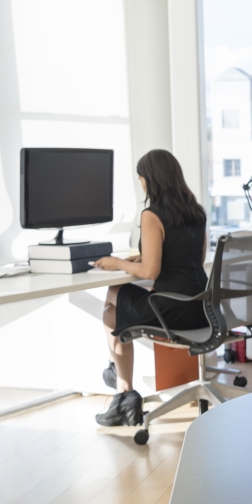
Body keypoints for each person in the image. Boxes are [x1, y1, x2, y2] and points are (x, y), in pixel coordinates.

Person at [93, 149, 209, 427]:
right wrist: (146, 256)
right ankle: (119, 380)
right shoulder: (196, 211)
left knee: (111, 310)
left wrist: (118, 262)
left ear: (151, 180)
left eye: (141, 178)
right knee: (113, 300)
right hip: (203, 307)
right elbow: (196, 259)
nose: (141, 184)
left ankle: (123, 390)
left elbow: (150, 273)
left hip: (172, 308)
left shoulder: (152, 215)